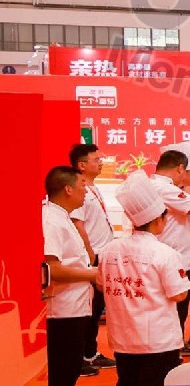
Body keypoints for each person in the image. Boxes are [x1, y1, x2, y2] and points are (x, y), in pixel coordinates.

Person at [96, 177, 189, 386]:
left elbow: (101, 284)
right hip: (157, 338)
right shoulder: (164, 253)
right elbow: (179, 293)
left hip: (123, 335)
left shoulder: (110, 250)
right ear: (158, 220)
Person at [41, 165, 99, 386]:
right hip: (61, 311)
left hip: (75, 307)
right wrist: (93, 274)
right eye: (82, 186)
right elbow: (50, 268)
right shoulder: (50, 220)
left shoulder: (62, 217)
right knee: (61, 373)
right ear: (67, 189)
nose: (85, 191)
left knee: (69, 370)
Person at [154, 149, 190, 357]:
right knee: (175, 308)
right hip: (176, 260)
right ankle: (171, 350)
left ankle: (176, 344)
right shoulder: (166, 189)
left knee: (177, 309)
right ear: (180, 169)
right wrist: (188, 189)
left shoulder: (159, 186)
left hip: (176, 258)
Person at [70, 142, 114, 372]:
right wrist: (89, 255)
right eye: (96, 160)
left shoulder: (92, 187)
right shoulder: (79, 189)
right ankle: (82, 356)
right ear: (81, 165)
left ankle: (89, 352)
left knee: (96, 308)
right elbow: (78, 224)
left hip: (101, 254)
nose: (101, 163)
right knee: (89, 308)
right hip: (92, 256)